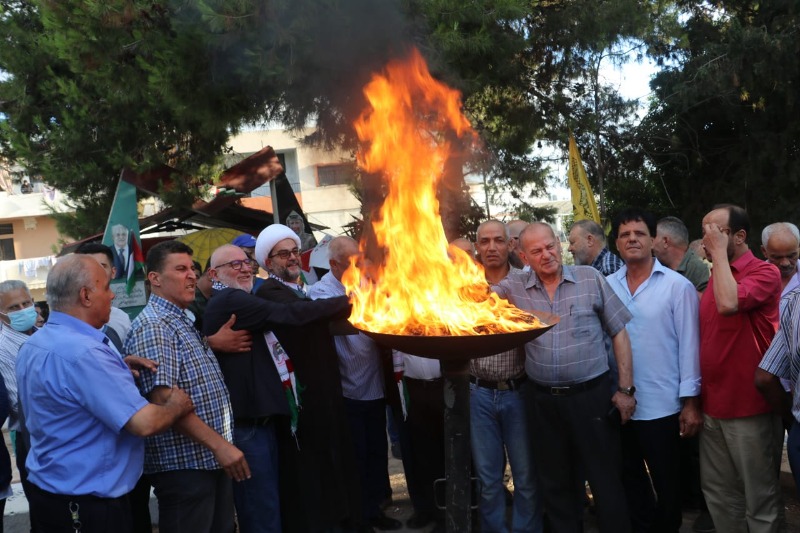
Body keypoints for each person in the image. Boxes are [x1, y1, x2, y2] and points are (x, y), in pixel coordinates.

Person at [16, 255, 194, 532]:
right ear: (86, 295)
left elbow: (63, 394)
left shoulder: (37, 343)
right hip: (87, 508)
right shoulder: (85, 353)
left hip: (53, 497)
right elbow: (144, 423)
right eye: (107, 287)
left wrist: (115, 371)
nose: (113, 296)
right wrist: (176, 406)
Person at [495, 222, 635, 533]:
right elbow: (483, 295)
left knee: (605, 479)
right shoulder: (515, 286)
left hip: (591, 398)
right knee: (555, 483)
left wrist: (625, 389)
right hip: (543, 401)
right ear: (523, 256)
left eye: (550, 246)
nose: (546, 255)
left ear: (559, 244)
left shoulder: (590, 278)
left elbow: (620, 333)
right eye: (536, 251)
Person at [203, 243, 351, 533]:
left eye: (246, 262)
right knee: (262, 511)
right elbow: (292, 314)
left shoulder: (236, 299)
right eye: (235, 265)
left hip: (262, 423)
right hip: (248, 427)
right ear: (214, 274)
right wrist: (352, 300)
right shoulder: (231, 300)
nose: (245, 268)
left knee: (271, 504)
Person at [125, 240, 250, 533]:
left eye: (193, 268)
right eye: (180, 269)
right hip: (185, 467)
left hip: (206, 461)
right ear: (154, 278)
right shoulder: (154, 325)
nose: (192, 275)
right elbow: (165, 400)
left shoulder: (177, 319)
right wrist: (221, 446)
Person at [253, 224, 363, 532]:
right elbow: (304, 315)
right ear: (268, 261)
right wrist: (351, 300)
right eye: (283, 253)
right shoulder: (270, 292)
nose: (291, 259)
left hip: (325, 390)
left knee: (334, 461)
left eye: (294, 252)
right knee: (311, 471)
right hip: (303, 398)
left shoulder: (297, 288)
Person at [608, 208, 702, 532]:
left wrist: (690, 403)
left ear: (653, 240)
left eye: (639, 233)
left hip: (663, 406)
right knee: (629, 478)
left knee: (668, 483)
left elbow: (690, 347)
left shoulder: (678, 287)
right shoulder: (606, 287)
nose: (632, 239)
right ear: (617, 244)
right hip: (619, 404)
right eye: (624, 235)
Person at [698, 204, 783, 532]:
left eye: (714, 232)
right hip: (713, 407)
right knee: (720, 495)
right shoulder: (714, 277)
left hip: (749, 408)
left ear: (740, 236)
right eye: (703, 230)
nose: (706, 238)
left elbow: (729, 304)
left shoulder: (764, 272)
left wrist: (718, 255)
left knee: (759, 500)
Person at [308, 236, 400, 531]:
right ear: (333, 264)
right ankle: (356, 518)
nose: (359, 267)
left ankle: (375, 512)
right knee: (353, 459)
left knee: (375, 455)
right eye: (351, 262)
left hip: (374, 388)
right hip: (345, 392)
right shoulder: (319, 292)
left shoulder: (368, 286)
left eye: (360, 260)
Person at [470, 220, 541, 533]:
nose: (491, 247)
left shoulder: (527, 284)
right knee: (488, 478)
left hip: (518, 391)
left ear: (509, 245)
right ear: (477, 247)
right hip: (478, 393)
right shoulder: (464, 286)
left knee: (525, 476)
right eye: (484, 241)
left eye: (498, 240)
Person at [0, 280, 38, 504]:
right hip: (32, 438)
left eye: (26, 303)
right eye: (14, 307)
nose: (23, 310)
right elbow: (18, 403)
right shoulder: (2, 349)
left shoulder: (47, 334)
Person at [75, 242, 133, 346]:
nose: (96, 272)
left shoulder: (122, 318)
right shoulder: (71, 319)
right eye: (88, 267)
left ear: (113, 272)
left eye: (102, 266)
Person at [655, 216, 710, 294]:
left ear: (665, 241)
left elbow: (707, 303)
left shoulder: (700, 269)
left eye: (653, 237)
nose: (650, 243)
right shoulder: (654, 268)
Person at [761, 222, 800, 296]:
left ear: (799, 247)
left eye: (791, 256)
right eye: (777, 257)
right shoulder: (754, 280)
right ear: (764, 251)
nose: (785, 263)